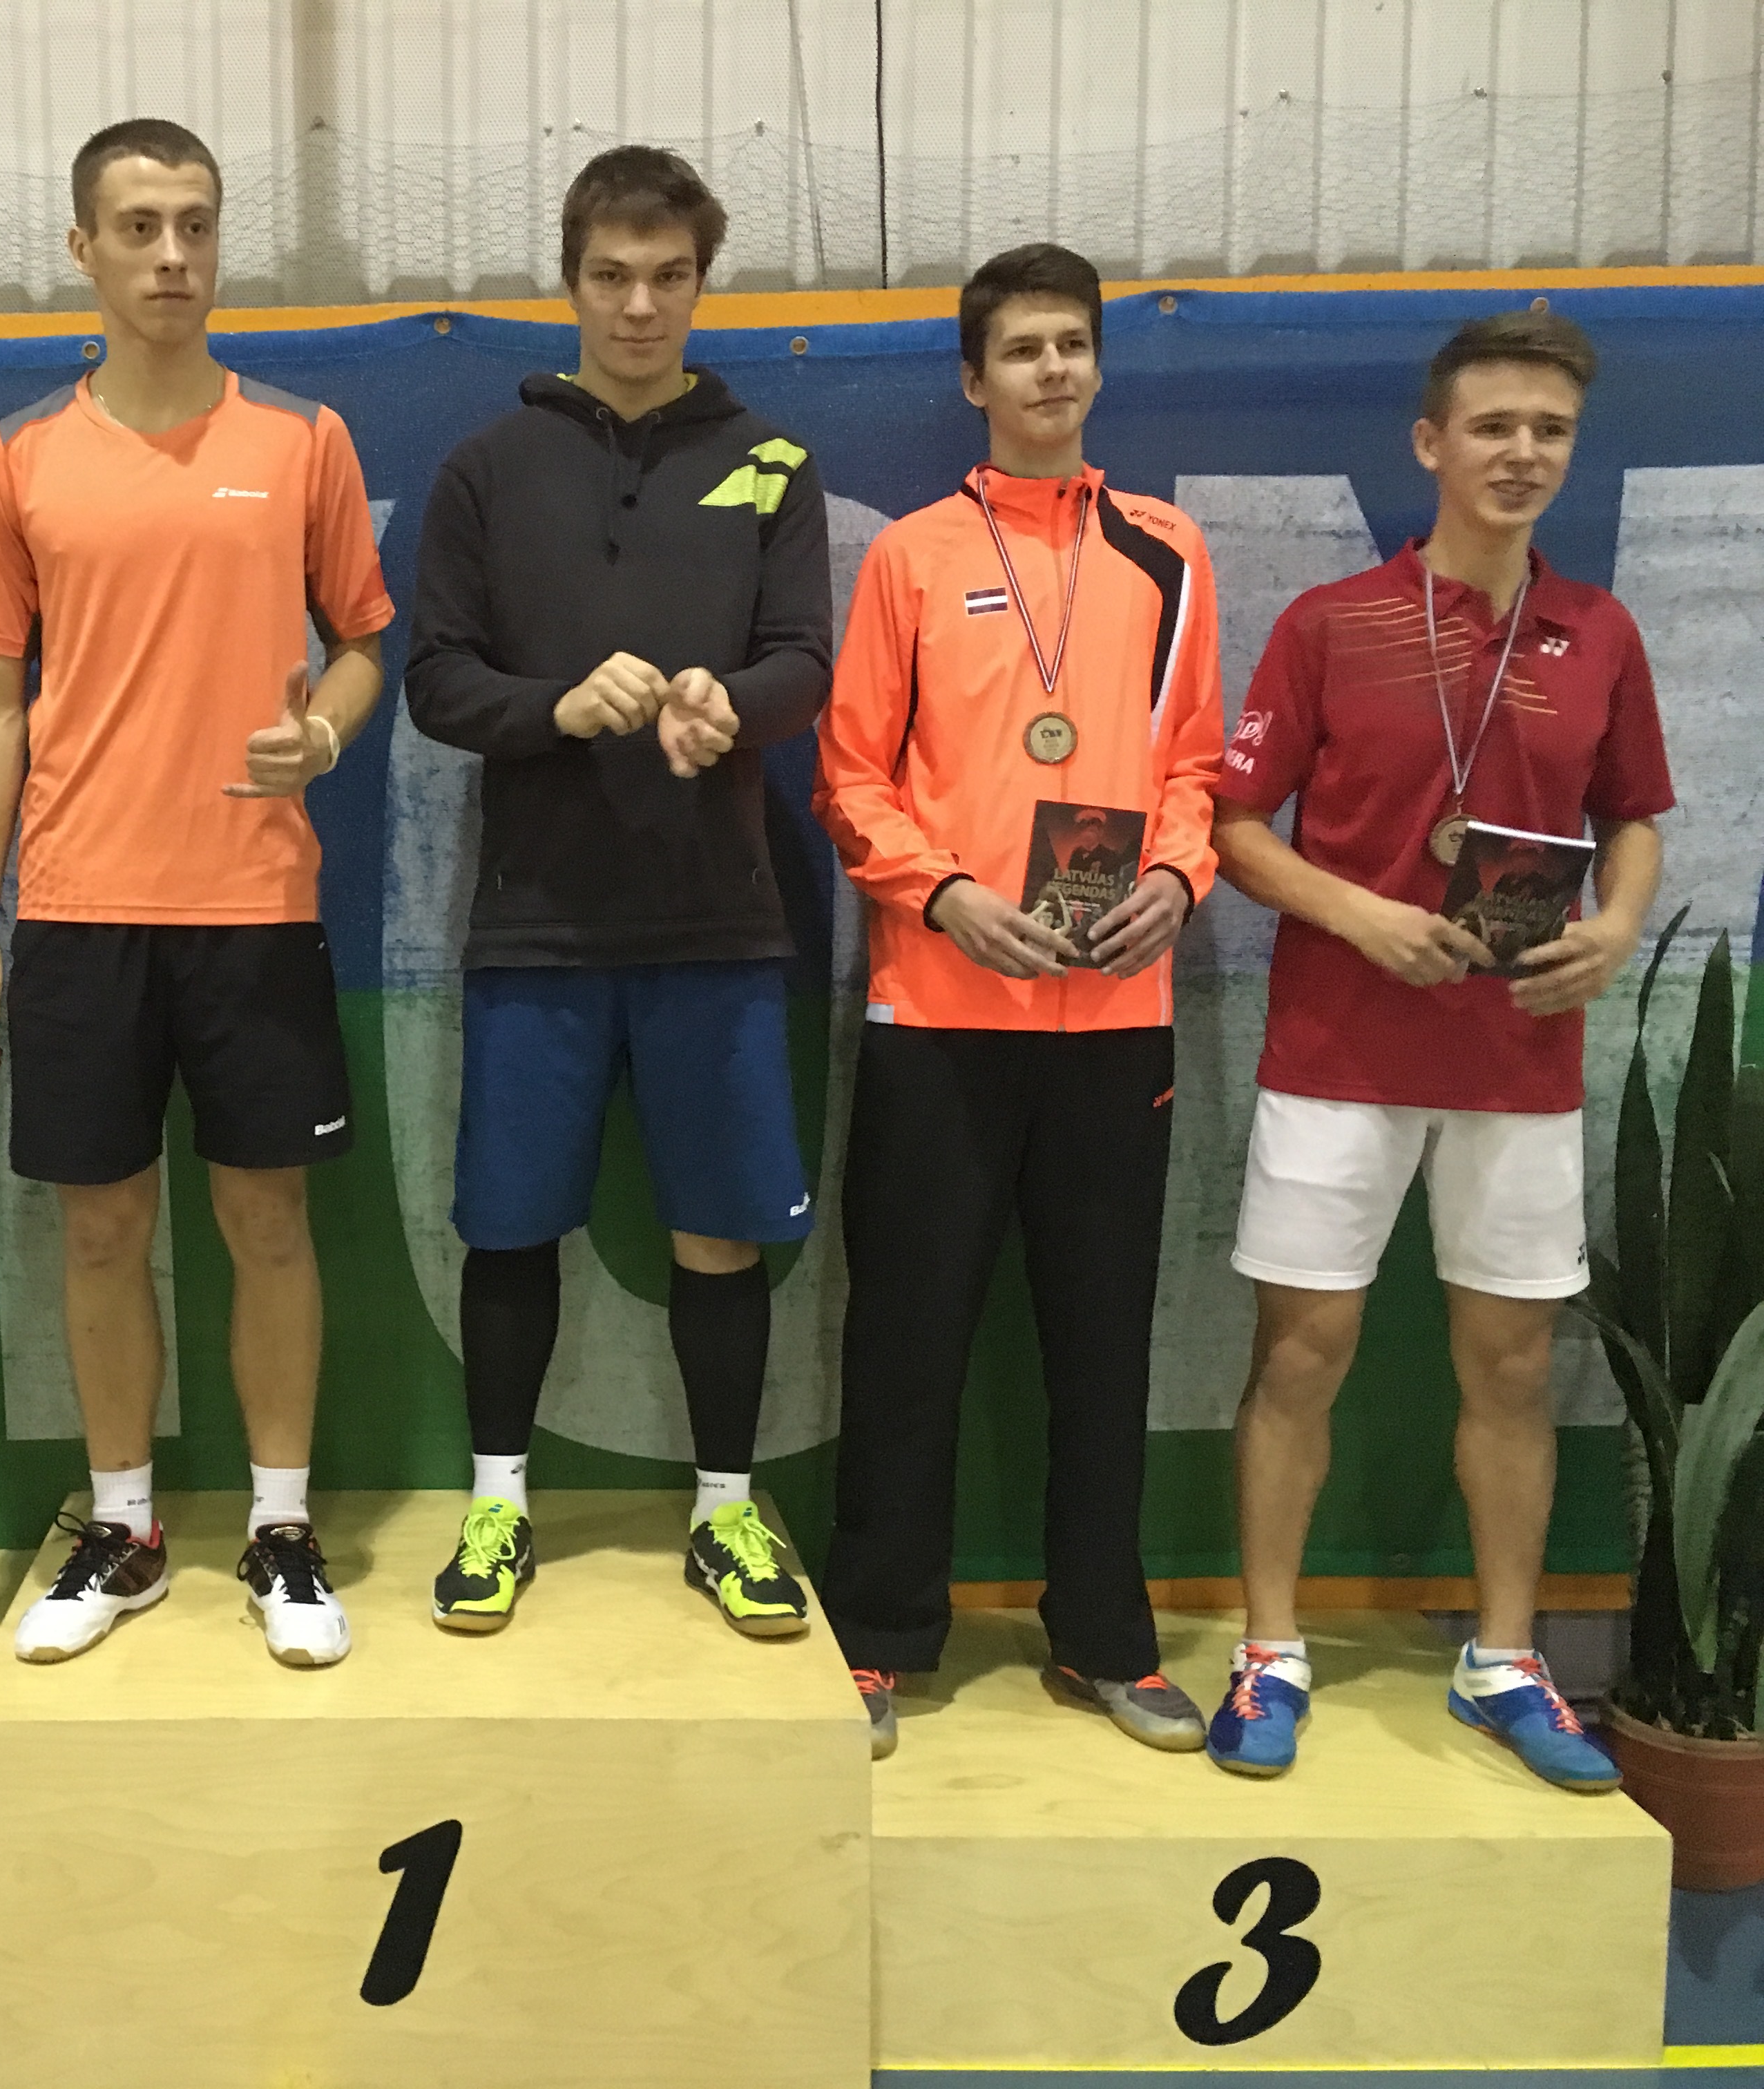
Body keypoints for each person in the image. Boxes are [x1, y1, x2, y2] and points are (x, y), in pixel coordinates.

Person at [0, 120, 393, 1668]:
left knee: (267, 1222)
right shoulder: (12, 458)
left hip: (255, 905)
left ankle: (282, 1526)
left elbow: (365, 643)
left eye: (195, 224)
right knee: (98, 1232)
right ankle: (123, 1528)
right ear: (84, 250)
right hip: (79, 910)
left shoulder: (305, 440)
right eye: (138, 227)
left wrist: (323, 734)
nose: (172, 255)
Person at [1204, 310, 1669, 1790]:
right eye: (1493, 427)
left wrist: (1615, 926)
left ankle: (1505, 1661)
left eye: (1550, 431)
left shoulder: (1600, 634)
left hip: (1519, 1058)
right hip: (1337, 1049)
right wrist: (1363, 916)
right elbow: (1233, 827)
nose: (1522, 453)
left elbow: (1635, 818)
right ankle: (1269, 1651)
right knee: (1300, 1355)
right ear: (1431, 443)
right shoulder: (1330, 623)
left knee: (1514, 1368)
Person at [404, 146, 832, 1637]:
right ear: (571, 280)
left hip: (718, 919)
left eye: (668, 277)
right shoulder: (485, 468)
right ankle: (497, 1507)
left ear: (702, 283)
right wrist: (559, 709)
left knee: (721, 1231)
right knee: (512, 1226)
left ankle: (727, 1515)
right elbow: (436, 682)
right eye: (611, 276)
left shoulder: (772, 460)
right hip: (539, 924)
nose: (640, 305)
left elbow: (805, 662)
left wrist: (734, 706)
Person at [814, 242, 1225, 1759]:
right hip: (938, 1015)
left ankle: (1105, 1639)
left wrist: (1177, 877)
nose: (1053, 370)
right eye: (1024, 350)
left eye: (1073, 345)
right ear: (974, 380)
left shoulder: (1169, 552)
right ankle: (879, 1639)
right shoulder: (913, 557)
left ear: (1098, 366)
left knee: (1103, 1343)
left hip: (1116, 1023)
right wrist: (945, 897)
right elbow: (850, 777)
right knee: (906, 1342)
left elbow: (1196, 766)